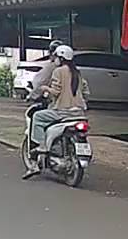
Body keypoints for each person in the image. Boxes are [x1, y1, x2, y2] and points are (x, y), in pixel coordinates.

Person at [24, 44, 89, 179]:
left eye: (56, 57)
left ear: (61, 58)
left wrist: (44, 89)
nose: (54, 60)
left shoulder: (58, 71)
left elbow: (56, 91)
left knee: (37, 117)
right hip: (79, 113)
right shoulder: (77, 72)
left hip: (62, 112)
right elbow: (86, 92)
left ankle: (42, 146)